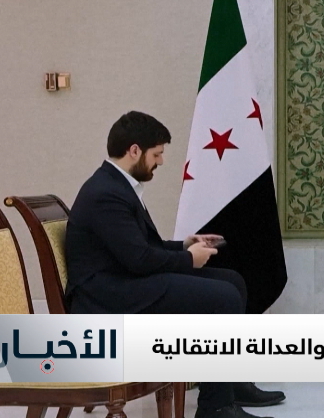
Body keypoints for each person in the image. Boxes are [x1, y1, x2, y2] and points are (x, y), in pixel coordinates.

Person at [65, 111, 285, 418]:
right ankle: (215, 408)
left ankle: (230, 384)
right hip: (108, 297)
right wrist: (189, 259)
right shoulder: (106, 194)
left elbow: (139, 249)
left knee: (233, 281)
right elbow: (139, 259)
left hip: (123, 282)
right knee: (223, 297)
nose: (161, 161)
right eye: (157, 154)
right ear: (134, 151)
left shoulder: (115, 185)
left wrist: (184, 245)